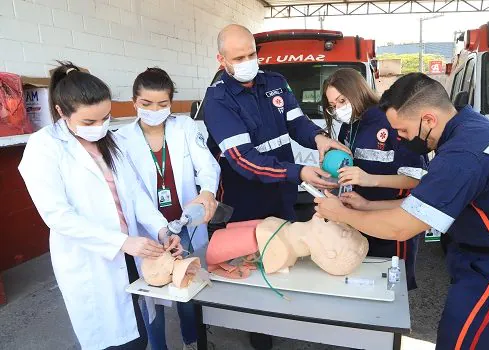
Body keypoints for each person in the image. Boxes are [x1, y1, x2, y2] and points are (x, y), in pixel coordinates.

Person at [314, 73, 489, 350]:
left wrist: (341, 214)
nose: (400, 139)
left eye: (402, 131)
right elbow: (429, 202)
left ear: (428, 120)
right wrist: (368, 205)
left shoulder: (463, 156)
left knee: (463, 342)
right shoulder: (472, 128)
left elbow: (403, 226)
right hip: (484, 251)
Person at [203, 24, 349, 350]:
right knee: (251, 263)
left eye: (252, 54)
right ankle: (259, 333)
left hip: (280, 192)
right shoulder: (218, 102)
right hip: (245, 199)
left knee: (284, 253)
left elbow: (296, 123)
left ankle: (285, 314)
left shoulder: (276, 83)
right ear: (221, 60)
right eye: (238, 57)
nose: (248, 61)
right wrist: (300, 172)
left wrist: (320, 139)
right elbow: (244, 160)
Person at [18, 62, 181, 350]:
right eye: (89, 122)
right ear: (61, 112)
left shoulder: (111, 142)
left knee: (139, 333)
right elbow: (58, 216)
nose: (100, 127)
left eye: (105, 118)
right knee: (114, 342)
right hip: (93, 261)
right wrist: (121, 242)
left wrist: (161, 230)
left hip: (130, 255)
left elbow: (134, 194)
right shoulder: (43, 147)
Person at [117, 67, 220, 350]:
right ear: (133, 102)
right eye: (146, 104)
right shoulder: (120, 140)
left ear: (171, 103)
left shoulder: (185, 127)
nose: (154, 110)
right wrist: (158, 229)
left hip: (185, 223)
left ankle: (192, 341)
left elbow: (207, 164)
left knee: (186, 286)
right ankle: (158, 346)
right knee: (151, 294)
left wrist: (207, 193)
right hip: (148, 229)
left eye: (162, 104)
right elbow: (133, 194)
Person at [321, 68, 427, 290]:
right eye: (333, 106)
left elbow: (416, 180)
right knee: (365, 280)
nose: (339, 109)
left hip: (394, 217)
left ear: (357, 90)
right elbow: (349, 167)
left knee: (393, 285)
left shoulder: (391, 121)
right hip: (359, 215)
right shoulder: (350, 126)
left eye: (342, 100)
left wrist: (370, 179)